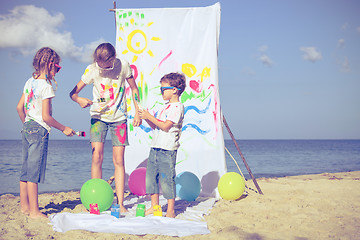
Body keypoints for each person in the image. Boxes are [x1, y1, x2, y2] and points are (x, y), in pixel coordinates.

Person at [69, 43, 141, 212]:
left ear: (113, 58)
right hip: (98, 118)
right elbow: (72, 93)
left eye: (107, 67)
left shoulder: (123, 65)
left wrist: (138, 111)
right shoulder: (92, 70)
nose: (105, 70)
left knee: (119, 160)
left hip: (119, 118)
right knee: (96, 158)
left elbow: (134, 88)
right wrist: (79, 100)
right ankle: (95, 201)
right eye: (101, 67)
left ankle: (121, 203)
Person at [16, 47, 75, 219]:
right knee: (33, 172)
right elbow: (46, 117)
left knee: (25, 171)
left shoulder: (29, 82)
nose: (57, 71)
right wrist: (64, 128)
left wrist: (27, 123)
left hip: (27, 127)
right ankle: (34, 211)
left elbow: (19, 108)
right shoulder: (46, 87)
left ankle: (24, 207)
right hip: (39, 129)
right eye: (58, 68)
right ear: (50, 65)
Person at [139, 72, 186, 218]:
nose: (161, 92)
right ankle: (155, 206)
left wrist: (149, 116)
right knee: (151, 178)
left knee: (167, 179)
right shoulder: (164, 107)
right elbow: (157, 127)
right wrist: (146, 118)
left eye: (163, 89)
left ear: (174, 90)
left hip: (167, 149)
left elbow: (166, 126)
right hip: (156, 147)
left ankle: (170, 209)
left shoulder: (177, 107)